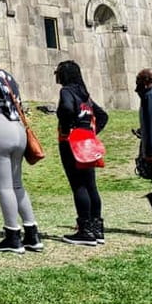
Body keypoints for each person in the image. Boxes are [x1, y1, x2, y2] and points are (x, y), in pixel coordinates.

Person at [0, 44, 42, 253]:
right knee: (16, 184)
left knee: (4, 187)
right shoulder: (8, 77)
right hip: (18, 130)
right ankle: (32, 233)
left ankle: (12, 235)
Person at [54, 60, 108, 245]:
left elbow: (68, 108)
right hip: (88, 141)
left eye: (58, 72)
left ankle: (85, 231)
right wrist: (89, 131)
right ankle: (97, 230)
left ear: (65, 74)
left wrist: (69, 127)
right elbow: (102, 116)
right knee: (91, 185)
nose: (56, 75)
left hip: (71, 142)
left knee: (78, 185)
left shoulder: (67, 91)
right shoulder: (86, 95)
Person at [136, 68, 152, 182]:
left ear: (146, 80)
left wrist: (150, 153)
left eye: (138, 79)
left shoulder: (150, 97)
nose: (136, 83)